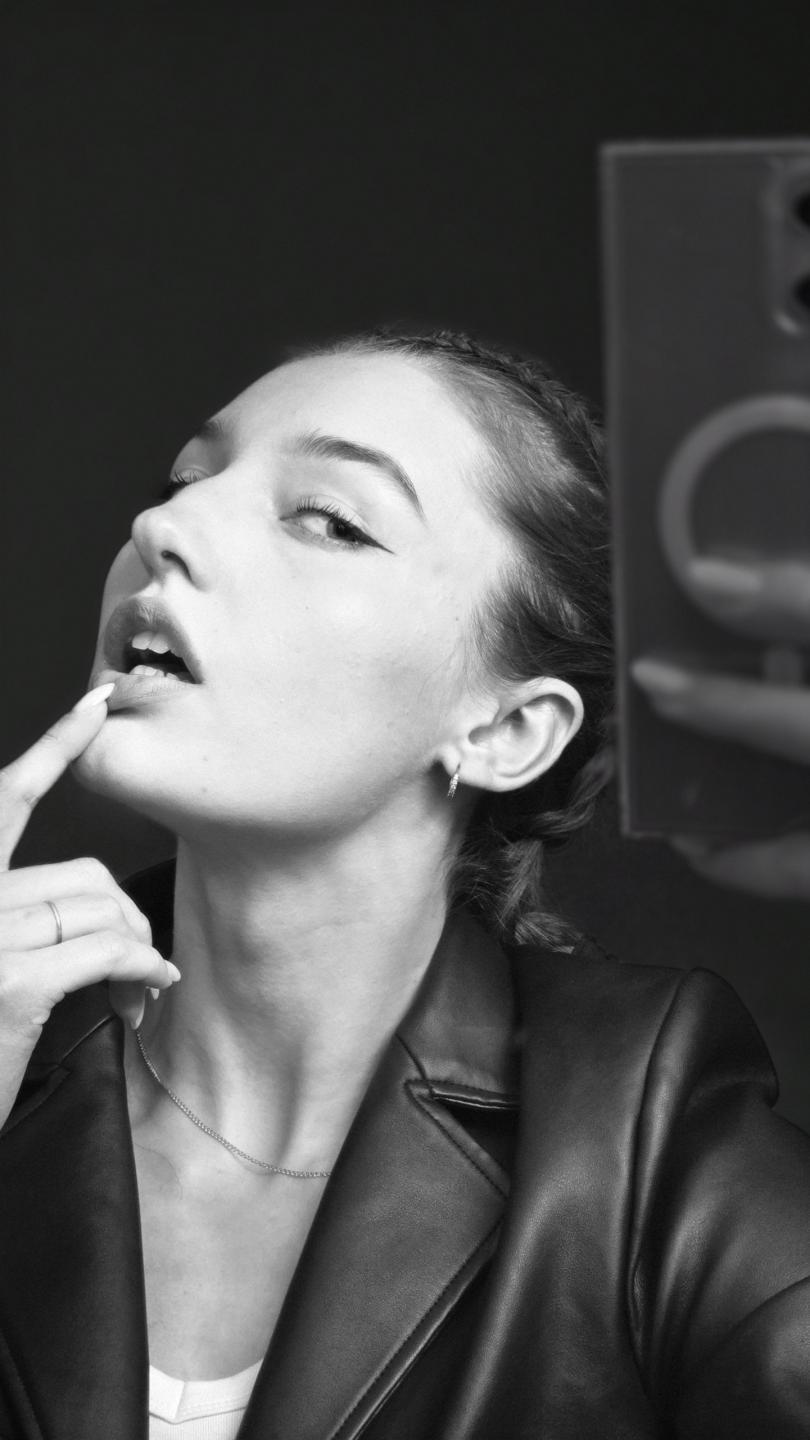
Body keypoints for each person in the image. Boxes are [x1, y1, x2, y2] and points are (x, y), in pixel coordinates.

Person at [1, 327, 809, 1440]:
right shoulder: (20, 1059)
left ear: (508, 730)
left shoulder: (640, 1131)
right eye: (185, 481)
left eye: (330, 520)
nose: (163, 528)